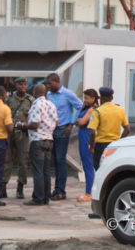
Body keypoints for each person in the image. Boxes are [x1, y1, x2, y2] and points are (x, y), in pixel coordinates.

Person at [15, 84, 57, 206]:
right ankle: (45, 197)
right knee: (46, 171)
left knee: (38, 171)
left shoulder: (36, 105)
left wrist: (22, 125)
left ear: (34, 92)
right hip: (49, 139)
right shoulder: (51, 105)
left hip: (38, 140)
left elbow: (35, 124)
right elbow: (56, 122)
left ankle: (38, 198)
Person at [45, 73, 82, 201]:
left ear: (56, 82)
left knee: (60, 160)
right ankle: (55, 189)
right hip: (50, 130)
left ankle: (61, 191)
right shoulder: (49, 95)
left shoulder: (68, 94)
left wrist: (71, 124)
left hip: (63, 129)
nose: (48, 86)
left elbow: (80, 106)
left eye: (50, 84)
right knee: (54, 160)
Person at [1, 77, 34, 199]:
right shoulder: (9, 98)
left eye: (25, 84)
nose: (22, 87)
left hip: (23, 133)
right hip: (9, 132)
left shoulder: (30, 100)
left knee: (23, 161)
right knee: (6, 160)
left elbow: (34, 116)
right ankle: (3, 187)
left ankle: (20, 188)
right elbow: (3, 113)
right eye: (20, 84)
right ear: (16, 85)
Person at [88, 87, 130, 170]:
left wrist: (92, 147)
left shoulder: (97, 111)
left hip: (101, 146)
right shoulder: (120, 110)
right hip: (115, 144)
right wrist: (120, 140)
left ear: (101, 98)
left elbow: (92, 132)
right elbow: (127, 129)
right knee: (112, 169)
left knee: (100, 170)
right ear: (112, 98)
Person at [75, 89, 99, 202]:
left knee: (89, 166)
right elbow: (77, 120)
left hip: (87, 137)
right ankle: (90, 190)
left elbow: (81, 122)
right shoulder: (86, 108)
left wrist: (78, 121)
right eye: (84, 98)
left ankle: (89, 192)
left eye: (87, 98)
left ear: (94, 99)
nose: (85, 100)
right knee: (86, 166)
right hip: (83, 137)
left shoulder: (92, 109)